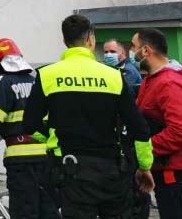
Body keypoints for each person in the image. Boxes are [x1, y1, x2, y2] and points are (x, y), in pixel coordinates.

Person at [25, 14, 154, 218]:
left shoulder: (47, 75)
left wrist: (53, 136)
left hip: (71, 172)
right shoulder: (113, 76)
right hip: (111, 173)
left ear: (65, 42)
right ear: (91, 40)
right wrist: (145, 166)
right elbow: (140, 129)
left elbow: (29, 124)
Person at [0, 38, 58, 219]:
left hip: (20, 160)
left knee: (24, 211)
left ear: (0, 62)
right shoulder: (36, 82)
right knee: (47, 209)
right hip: (45, 157)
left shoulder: (3, 83)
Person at [132, 28, 182, 219]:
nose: (131, 52)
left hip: (178, 176)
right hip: (167, 173)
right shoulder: (151, 80)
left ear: (146, 50)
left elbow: (181, 130)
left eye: (133, 46)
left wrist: (144, 149)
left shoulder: (168, 83)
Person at [102, 39, 151, 218]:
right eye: (106, 51)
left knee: (135, 192)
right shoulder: (112, 71)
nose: (108, 55)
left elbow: (121, 104)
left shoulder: (127, 72)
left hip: (129, 136)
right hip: (120, 136)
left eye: (112, 51)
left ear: (122, 53)